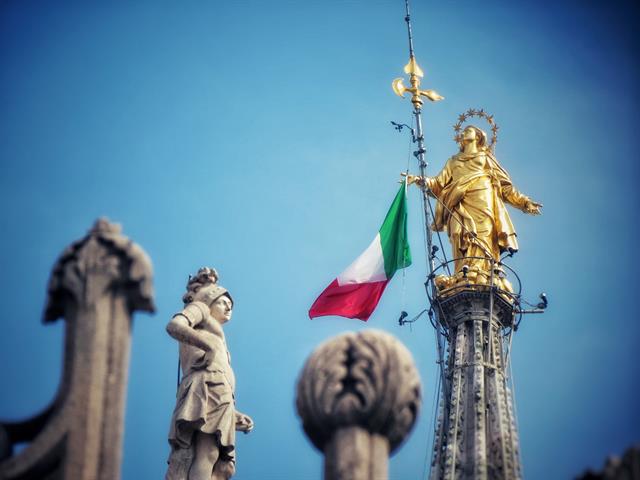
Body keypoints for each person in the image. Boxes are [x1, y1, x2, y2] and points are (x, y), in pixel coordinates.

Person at [405, 125, 542, 291]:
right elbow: (439, 184)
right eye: (463, 131)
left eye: (468, 131)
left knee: (484, 234)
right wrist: (422, 180)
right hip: (458, 202)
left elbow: (505, 187)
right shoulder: (453, 161)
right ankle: (462, 271)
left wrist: (524, 202)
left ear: (478, 136)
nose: (463, 133)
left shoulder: (485, 157)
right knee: (458, 233)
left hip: (483, 200)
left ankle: (484, 270)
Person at [165, 268, 253, 480]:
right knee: (208, 453)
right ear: (210, 300)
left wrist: (234, 413)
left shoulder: (220, 337)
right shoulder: (200, 310)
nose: (228, 308)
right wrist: (208, 346)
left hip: (220, 393)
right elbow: (174, 325)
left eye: (230, 306)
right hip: (204, 385)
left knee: (224, 468)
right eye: (223, 302)